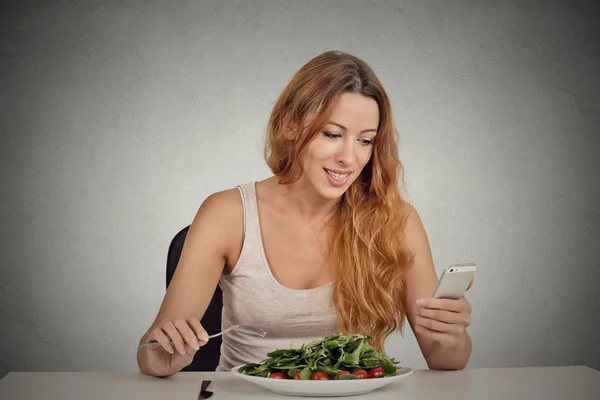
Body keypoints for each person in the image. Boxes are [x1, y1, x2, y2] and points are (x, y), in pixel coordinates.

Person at [136, 50, 474, 378]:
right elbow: (151, 352)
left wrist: (451, 335)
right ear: (290, 125)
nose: (349, 157)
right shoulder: (227, 214)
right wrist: (162, 354)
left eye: (365, 141)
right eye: (332, 134)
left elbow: (445, 359)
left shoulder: (396, 220)